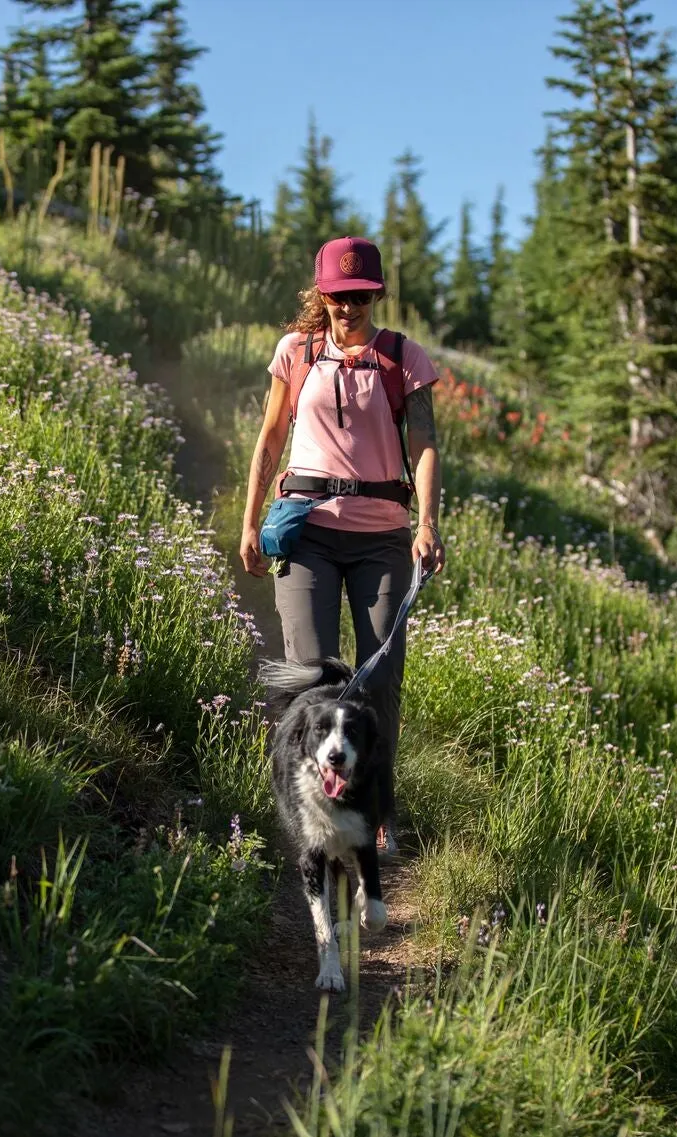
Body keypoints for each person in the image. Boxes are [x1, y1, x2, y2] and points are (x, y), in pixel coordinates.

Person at [239, 235, 445, 843]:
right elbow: (270, 438)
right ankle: (307, 807)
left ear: (375, 294)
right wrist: (250, 522)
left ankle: (373, 808)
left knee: (379, 683)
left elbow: (425, 445)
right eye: (337, 295)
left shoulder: (404, 359)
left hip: (383, 539)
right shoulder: (296, 352)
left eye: (359, 295)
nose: (348, 307)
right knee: (312, 675)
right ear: (321, 294)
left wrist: (428, 523)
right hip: (306, 534)